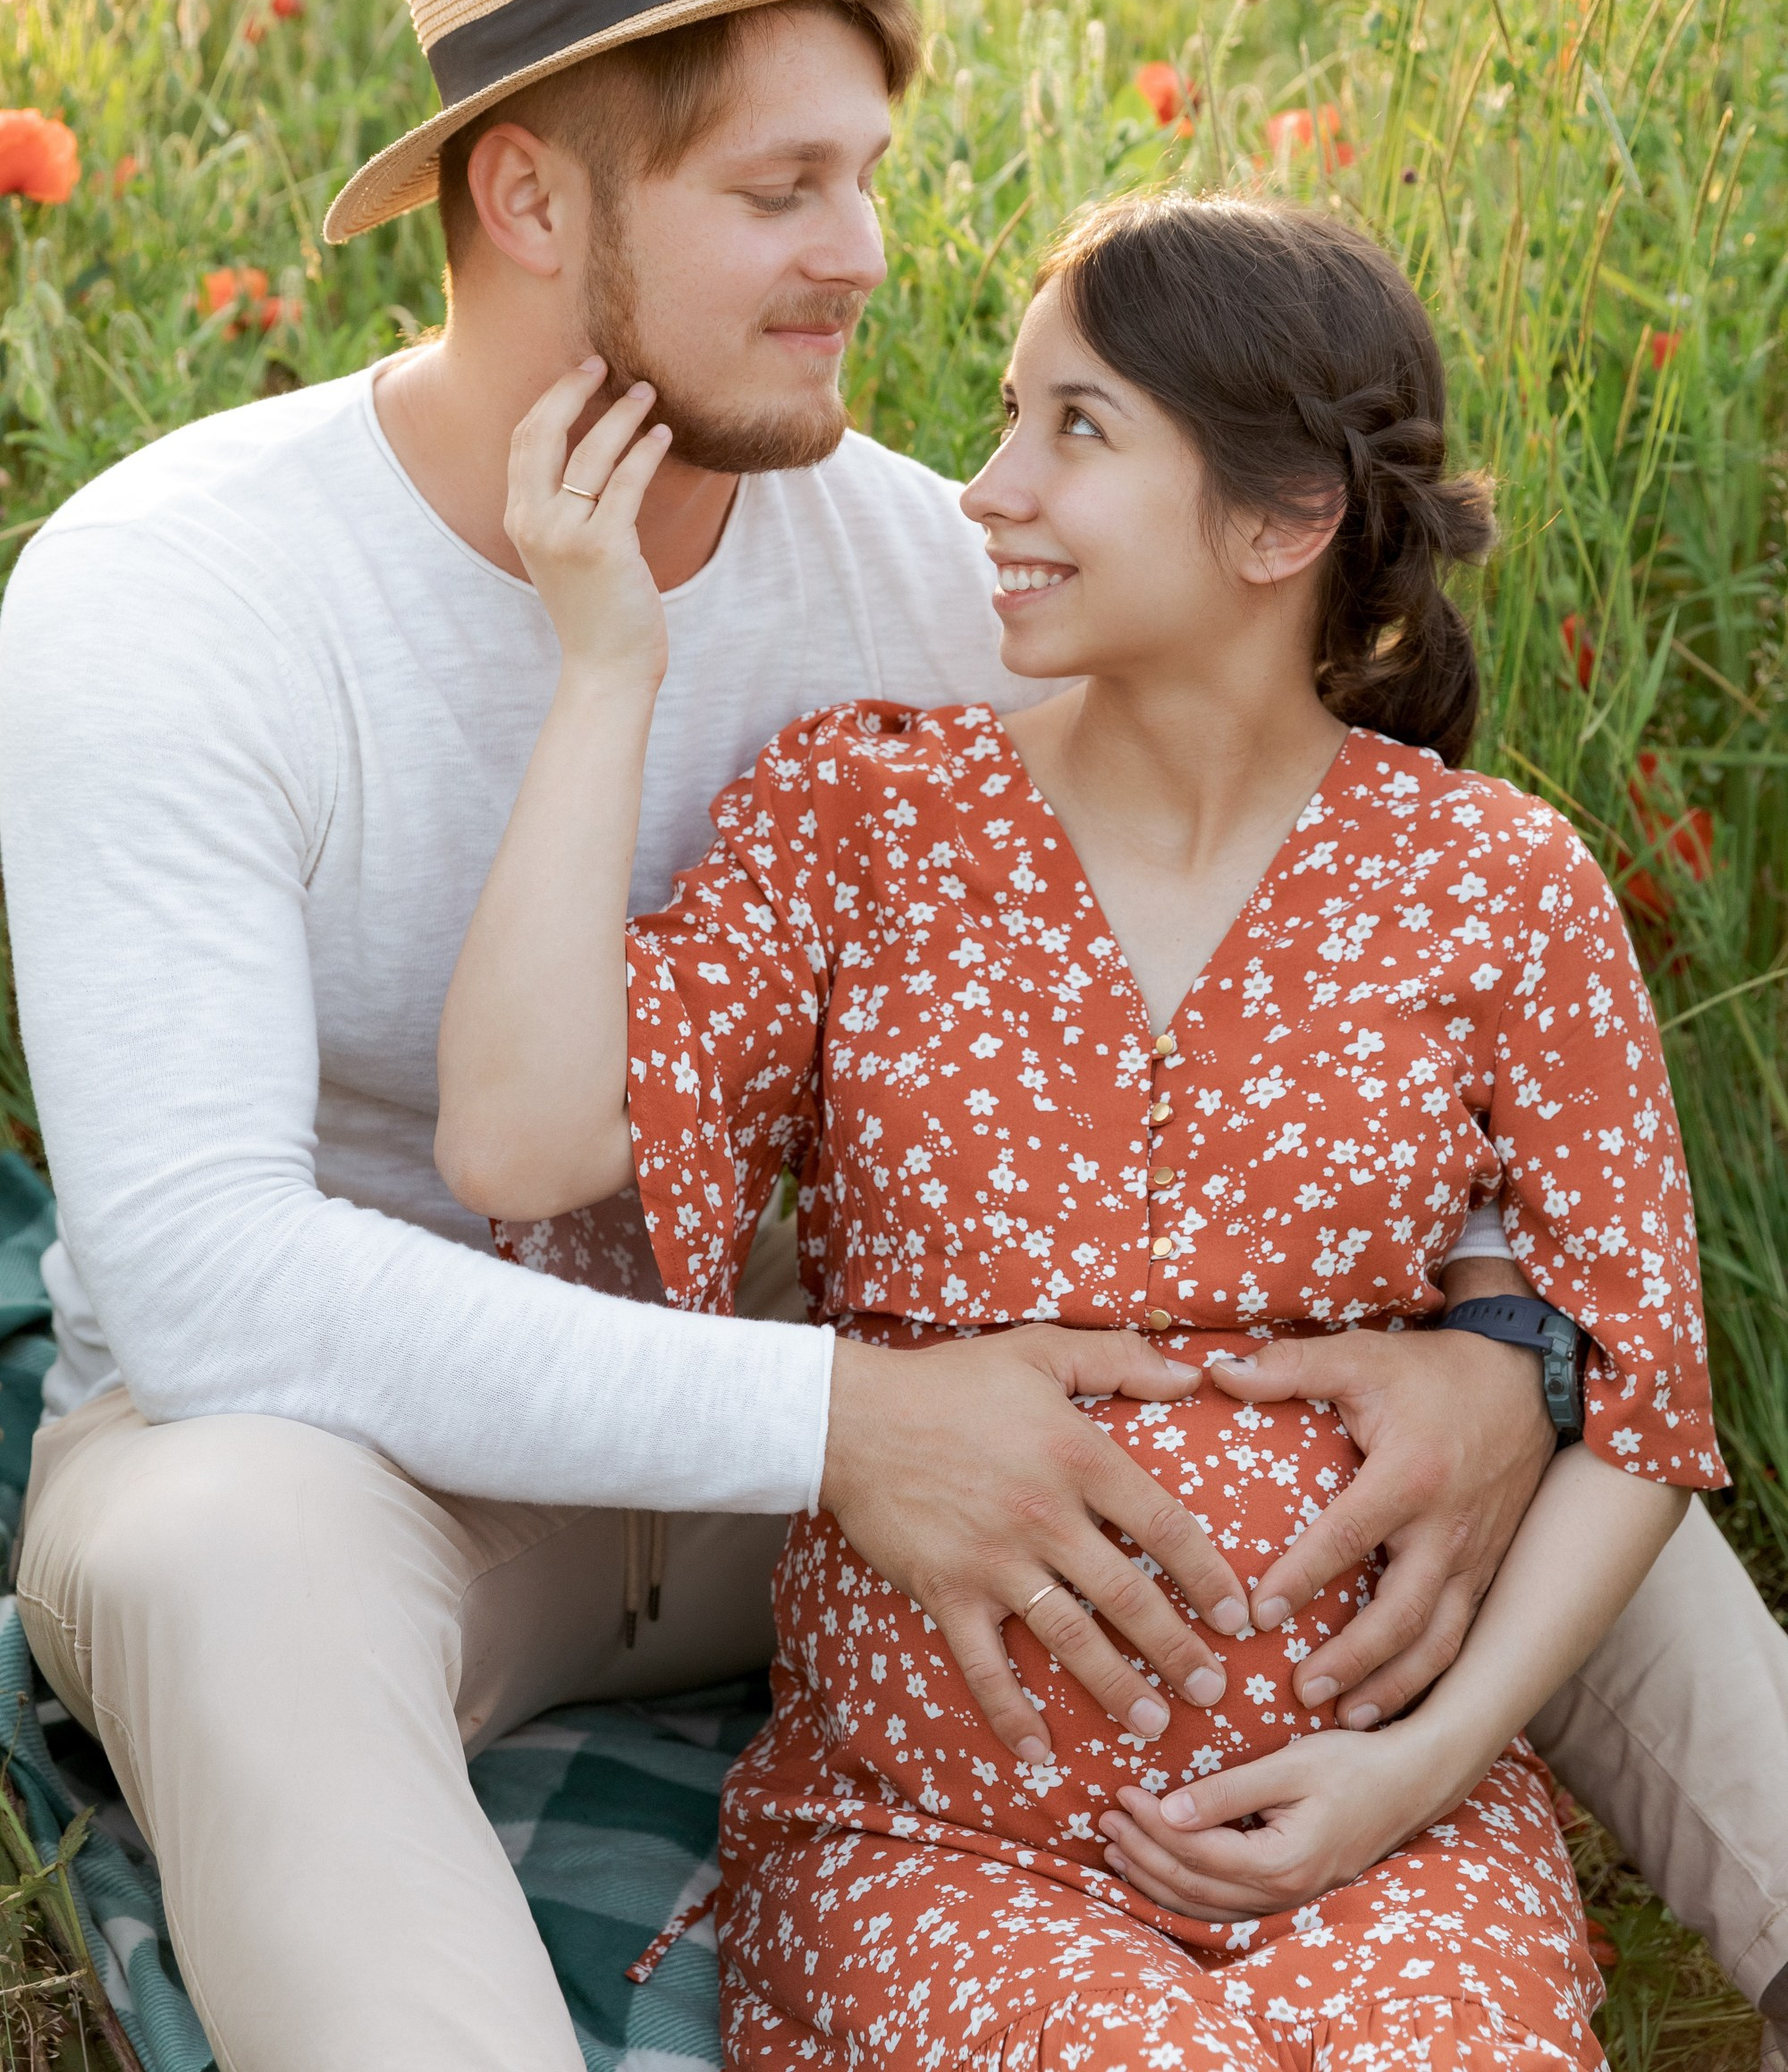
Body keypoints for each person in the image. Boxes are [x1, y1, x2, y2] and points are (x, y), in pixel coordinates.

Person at [0, 0, 1779, 2072]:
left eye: (865, 174)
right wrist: (840, 1417)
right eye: (778, 189)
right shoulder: (176, 595)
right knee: (212, 1545)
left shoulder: (930, 569)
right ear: (531, 196)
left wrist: (1495, 1359)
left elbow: (1276, 956)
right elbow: (204, 1285)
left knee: (1507, 1448)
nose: (861, 255)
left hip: (872, 1461)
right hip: (418, 1481)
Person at [436, 190, 1725, 2068]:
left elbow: (1635, 1398)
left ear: (1281, 522)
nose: (984, 487)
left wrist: (1420, 1773)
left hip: (1381, 1836)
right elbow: (524, 1146)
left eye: (1075, 429)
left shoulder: (1496, 882)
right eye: (1006, 418)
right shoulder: (864, 817)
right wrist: (606, 667)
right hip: (941, 1842)